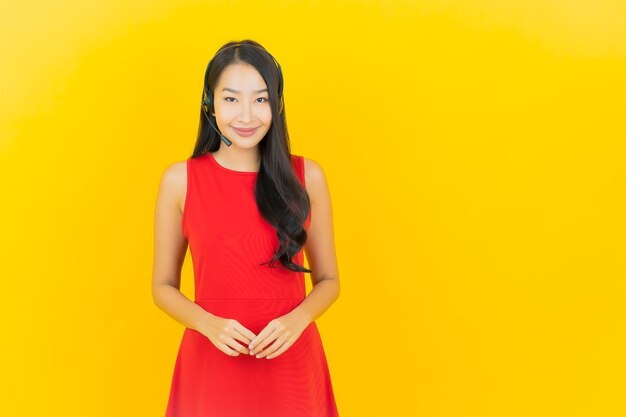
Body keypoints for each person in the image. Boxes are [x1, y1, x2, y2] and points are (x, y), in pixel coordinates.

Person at [152, 39, 341, 417]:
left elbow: (330, 281)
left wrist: (297, 319)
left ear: (277, 104)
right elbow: (162, 287)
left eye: (260, 99)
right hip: (212, 362)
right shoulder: (180, 180)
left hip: (292, 365)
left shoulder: (308, 177)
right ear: (210, 104)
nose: (246, 115)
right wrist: (207, 323)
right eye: (231, 99)